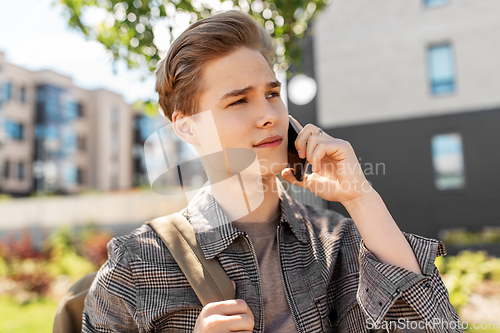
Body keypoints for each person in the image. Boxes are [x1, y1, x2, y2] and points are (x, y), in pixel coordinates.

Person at [82, 10, 463, 333]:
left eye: (271, 94)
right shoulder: (136, 264)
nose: (269, 116)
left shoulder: (340, 245)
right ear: (187, 127)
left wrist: (361, 196)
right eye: (238, 101)